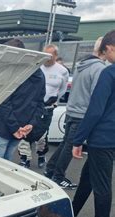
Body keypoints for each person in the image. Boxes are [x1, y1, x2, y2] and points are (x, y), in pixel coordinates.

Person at [71, 30, 115, 217]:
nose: (104, 57)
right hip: (111, 137)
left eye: (105, 52)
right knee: (88, 176)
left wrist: (78, 139)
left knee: (102, 185)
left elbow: (95, 110)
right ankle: (72, 212)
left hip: (103, 137)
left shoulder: (110, 73)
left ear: (110, 48)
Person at [45, 38, 106, 189]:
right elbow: (96, 95)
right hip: (82, 113)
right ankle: (58, 176)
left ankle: (50, 169)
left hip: (72, 110)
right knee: (70, 146)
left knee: (65, 143)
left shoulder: (82, 65)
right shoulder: (99, 68)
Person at [0, 39, 46, 161]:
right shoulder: (39, 74)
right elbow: (40, 103)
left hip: (4, 129)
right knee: (6, 165)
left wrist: (15, 128)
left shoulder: (12, 72)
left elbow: (3, 102)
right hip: (21, 130)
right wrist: (31, 124)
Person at [18, 44, 69, 168]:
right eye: (45, 54)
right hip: (32, 106)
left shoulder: (62, 71)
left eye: (50, 55)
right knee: (25, 133)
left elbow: (62, 89)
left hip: (47, 107)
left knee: (41, 135)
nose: (46, 58)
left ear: (55, 55)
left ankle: (41, 155)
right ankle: (25, 158)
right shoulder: (37, 67)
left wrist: (53, 99)